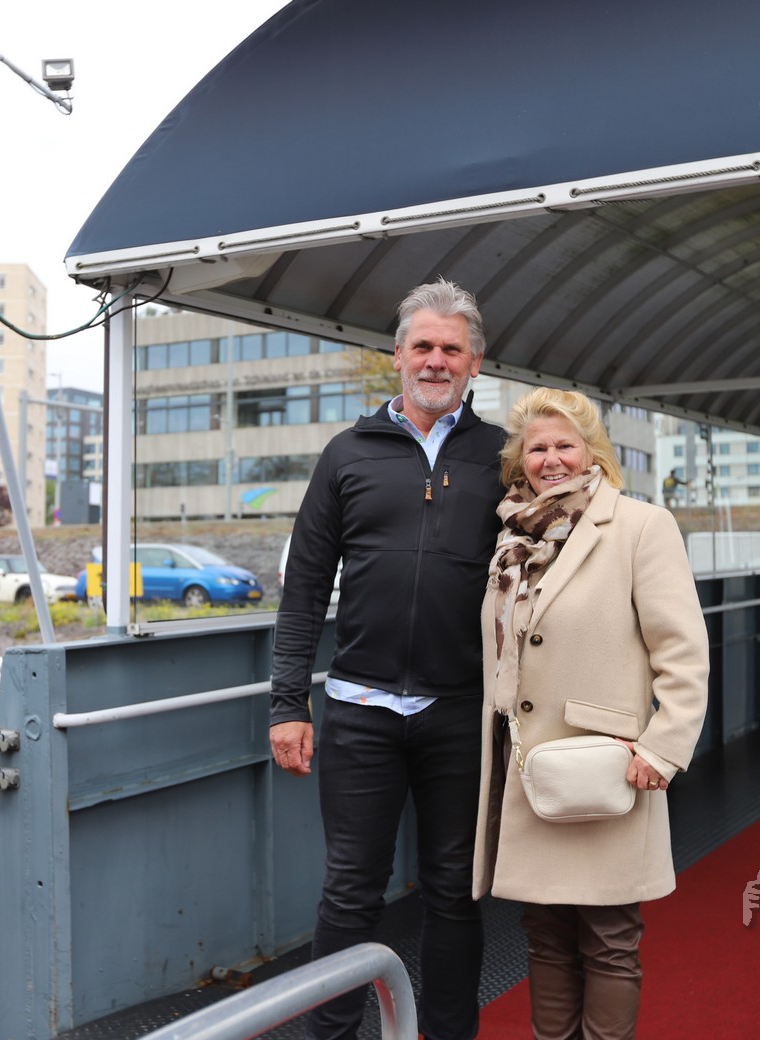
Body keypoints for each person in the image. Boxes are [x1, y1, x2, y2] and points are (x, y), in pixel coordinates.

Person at [271, 278, 506, 1040]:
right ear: (397, 355)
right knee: (349, 894)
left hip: (460, 713)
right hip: (360, 712)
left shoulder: (501, 457)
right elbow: (305, 588)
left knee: (454, 892)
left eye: (452, 349)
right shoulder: (347, 454)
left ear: (474, 363)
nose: (436, 360)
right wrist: (287, 704)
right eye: (423, 346)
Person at [474, 387, 708, 1040]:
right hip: (527, 766)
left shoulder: (640, 526)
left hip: (606, 765)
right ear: (520, 462)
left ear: (592, 453)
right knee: (545, 933)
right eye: (536, 448)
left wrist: (663, 747)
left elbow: (683, 652)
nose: (550, 459)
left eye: (564, 445)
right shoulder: (512, 536)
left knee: (609, 936)